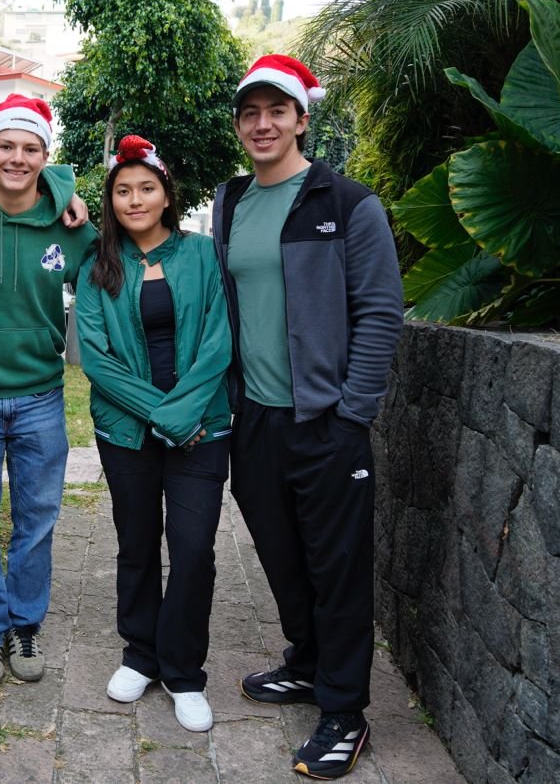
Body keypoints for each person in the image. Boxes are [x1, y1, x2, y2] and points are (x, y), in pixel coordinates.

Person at [211, 55, 403, 779]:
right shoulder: (230, 201)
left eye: (277, 111)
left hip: (327, 421)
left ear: (301, 119)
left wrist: (352, 413)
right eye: (250, 113)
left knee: (338, 565)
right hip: (255, 417)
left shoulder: (347, 203)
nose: (263, 124)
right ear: (240, 124)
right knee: (281, 553)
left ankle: (345, 711)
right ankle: (309, 659)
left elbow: (381, 312)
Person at [74, 135, 233, 733]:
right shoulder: (98, 266)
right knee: (137, 544)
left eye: (146, 188)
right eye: (122, 190)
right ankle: (141, 653)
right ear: (110, 199)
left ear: (167, 195)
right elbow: (97, 358)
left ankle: (184, 672)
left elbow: (219, 340)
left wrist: (187, 415)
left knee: (193, 550)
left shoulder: (204, 254)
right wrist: (166, 417)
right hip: (128, 435)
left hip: (204, 430)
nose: (134, 199)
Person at [0, 95, 98, 686]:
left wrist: (68, 193)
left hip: (40, 394)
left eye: (30, 148)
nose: (17, 158)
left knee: (37, 516)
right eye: (5, 146)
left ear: (44, 155)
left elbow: (105, 277)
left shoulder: (71, 225)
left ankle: (26, 624)